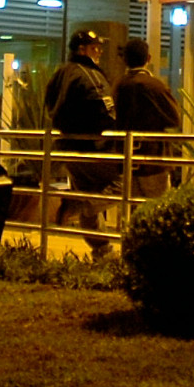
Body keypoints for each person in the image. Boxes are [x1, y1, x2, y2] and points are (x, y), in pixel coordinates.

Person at [44, 28, 117, 252]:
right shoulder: (89, 74)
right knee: (123, 183)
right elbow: (104, 110)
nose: (99, 52)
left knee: (87, 191)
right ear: (82, 50)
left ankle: (101, 249)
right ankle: (78, 204)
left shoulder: (61, 73)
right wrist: (113, 132)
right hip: (91, 147)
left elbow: (49, 105)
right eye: (95, 48)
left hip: (67, 146)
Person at [112, 38, 181, 199]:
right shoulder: (155, 85)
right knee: (157, 206)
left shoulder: (118, 85)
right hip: (153, 159)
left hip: (125, 158)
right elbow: (174, 118)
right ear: (148, 58)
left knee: (130, 206)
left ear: (125, 59)